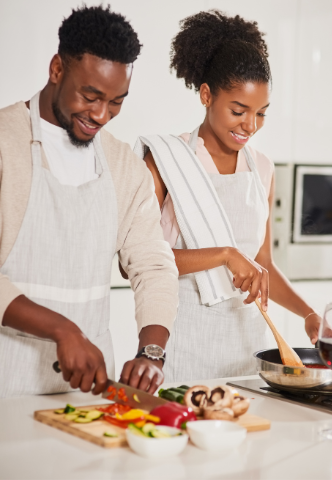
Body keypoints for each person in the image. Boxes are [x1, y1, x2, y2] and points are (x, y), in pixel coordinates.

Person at [0, 5, 178, 398]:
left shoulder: (124, 167)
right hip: (6, 382)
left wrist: (152, 352)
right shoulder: (3, 144)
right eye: (91, 95)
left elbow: (153, 266)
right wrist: (64, 330)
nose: (101, 115)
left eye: (116, 101)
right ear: (57, 70)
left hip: (88, 395)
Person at [135, 11, 321, 382]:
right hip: (182, 346)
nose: (250, 126)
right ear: (206, 95)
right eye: (239, 110)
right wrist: (224, 255)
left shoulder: (262, 169)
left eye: (261, 114)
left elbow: (261, 262)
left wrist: (308, 314)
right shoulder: (166, 161)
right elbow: (136, 262)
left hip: (246, 350)